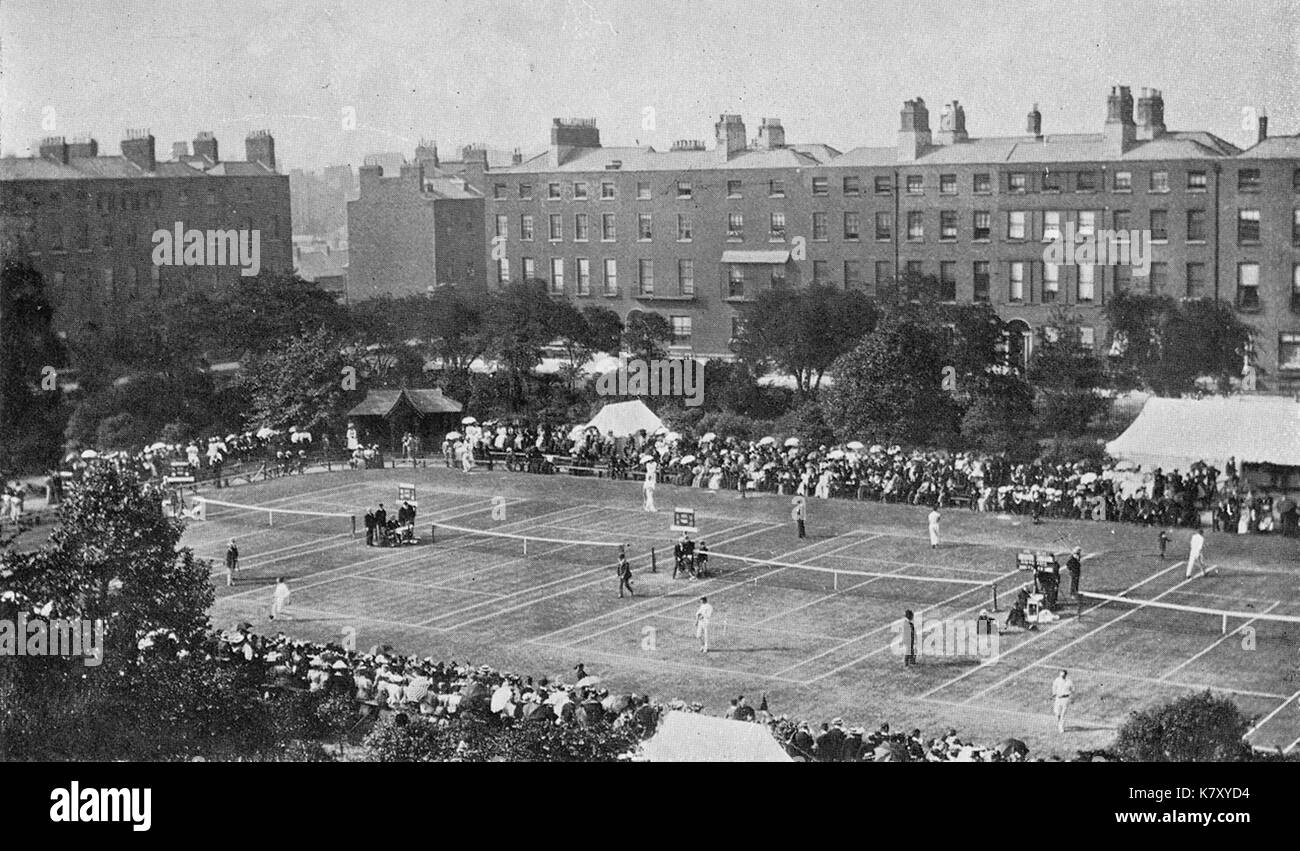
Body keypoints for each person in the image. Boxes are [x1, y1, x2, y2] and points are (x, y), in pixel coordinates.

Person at [1051, 669, 1073, 733]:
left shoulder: (1069, 682)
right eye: (1061, 675)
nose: (1062, 676)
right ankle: (1059, 722)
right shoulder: (1057, 680)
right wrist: (1054, 693)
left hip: (1065, 699)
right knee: (1057, 712)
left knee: (1063, 714)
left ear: (1065, 675)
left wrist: (1071, 697)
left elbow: (1072, 689)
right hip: (1058, 698)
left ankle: (1061, 727)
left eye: (1063, 675)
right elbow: (1054, 687)